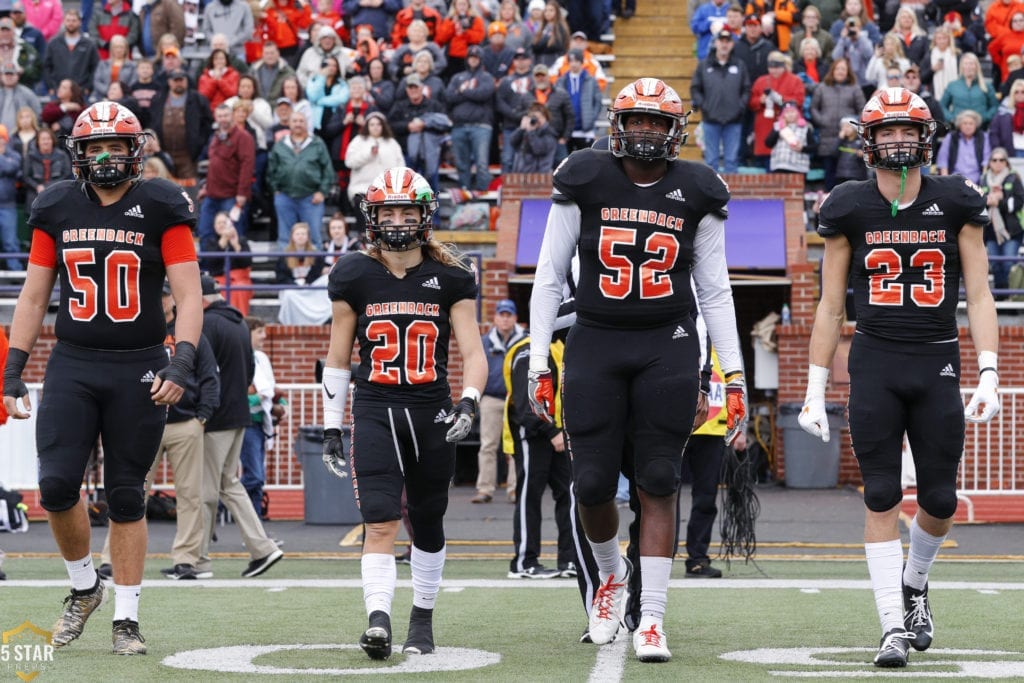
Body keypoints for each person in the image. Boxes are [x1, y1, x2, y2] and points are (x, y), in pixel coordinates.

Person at [527, 78, 746, 662]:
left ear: (676, 130)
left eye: (657, 121)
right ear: (616, 124)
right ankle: (610, 580)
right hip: (595, 340)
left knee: (658, 479)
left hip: (667, 343)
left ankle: (651, 618)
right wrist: (536, 364)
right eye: (637, 119)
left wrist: (733, 376)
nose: (646, 130)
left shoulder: (699, 187)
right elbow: (549, 275)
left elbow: (716, 293)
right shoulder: (585, 175)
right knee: (592, 484)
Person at [799, 87, 1000, 669]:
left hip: (937, 358)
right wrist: (815, 389)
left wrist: (988, 371)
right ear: (868, 139)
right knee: (882, 491)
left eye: (906, 129)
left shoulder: (957, 201)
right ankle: (891, 625)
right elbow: (830, 306)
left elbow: (981, 294)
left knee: (940, 499)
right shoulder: (848, 205)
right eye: (885, 131)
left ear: (924, 136)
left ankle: (915, 585)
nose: (897, 140)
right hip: (876, 360)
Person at [1, 100, 202, 654]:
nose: (108, 156)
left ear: (135, 152)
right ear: (80, 154)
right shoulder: (57, 205)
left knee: (126, 494)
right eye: (97, 147)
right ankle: (85, 587)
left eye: (117, 146)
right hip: (74, 360)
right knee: (56, 486)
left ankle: (127, 618)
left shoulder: (162, 202)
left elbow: (188, 294)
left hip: (139, 362)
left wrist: (181, 359)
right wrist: (12, 371)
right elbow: (35, 294)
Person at [321, 166, 487, 659]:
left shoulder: (451, 278)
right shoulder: (353, 274)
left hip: (430, 411)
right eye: (387, 210)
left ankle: (422, 617)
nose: (396, 220)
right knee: (379, 519)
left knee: (429, 521)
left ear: (424, 215)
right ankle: (378, 620)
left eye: (405, 210)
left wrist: (470, 401)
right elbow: (337, 358)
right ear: (372, 216)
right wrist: (333, 426)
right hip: (375, 408)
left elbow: (474, 354)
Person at [99, 282, 221, 582]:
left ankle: (186, 559)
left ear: (173, 298)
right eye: (158, 293)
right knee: (129, 489)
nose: (162, 299)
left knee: (190, 495)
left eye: (166, 294)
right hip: (142, 424)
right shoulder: (135, 330)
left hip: (183, 424)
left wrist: (202, 417)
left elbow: (210, 377)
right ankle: (111, 557)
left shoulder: (190, 333)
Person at [198, 274, 285, 579]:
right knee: (229, 484)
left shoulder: (207, 324)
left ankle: (196, 560)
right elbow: (249, 369)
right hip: (238, 414)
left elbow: (202, 371)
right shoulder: (237, 322)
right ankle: (262, 548)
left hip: (217, 416)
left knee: (207, 489)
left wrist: (202, 409)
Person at [503, 299, 574, 578]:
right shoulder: (528, 350)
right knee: (529, 497)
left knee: (567, 495)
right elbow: (525, 405)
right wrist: (553, 432)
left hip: (555, 434)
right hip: (532, 435)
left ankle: (568, 559)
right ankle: (523, 561)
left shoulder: (555, 348)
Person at [472, 298, 527, 505]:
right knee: (488, 445)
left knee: (515, 446)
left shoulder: (525, 340)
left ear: (515, 318)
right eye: (501, 315)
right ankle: (484, 490)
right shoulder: (485, 342)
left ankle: (515, 489)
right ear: (495, 318)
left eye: (509, 315)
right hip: (491, 399)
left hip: (516, 400)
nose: (505, 319)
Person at [266, 110, 334, 247]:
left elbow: (328, 170)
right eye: (295, 121)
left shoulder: (317, 143)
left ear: (307, 124)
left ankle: (316, 268)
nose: (298, 124)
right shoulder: (280, 145)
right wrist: (275, 189)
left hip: (311, 198)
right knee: (285, 238)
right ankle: (285, 268)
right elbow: (270, 170)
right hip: (285, 197)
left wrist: (322, 191)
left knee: (314, 238)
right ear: (289, 124)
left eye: (301, 121)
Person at [691, 28, 751, 174]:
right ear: (716, 43)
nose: (724, 45)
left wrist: (740, 107)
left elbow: (747, 89)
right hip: (710, 119)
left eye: (728, 41)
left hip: (734, 120)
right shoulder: (704, 65)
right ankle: (711, 196)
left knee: (731, 162)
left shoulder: (739, 65)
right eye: (721, 41)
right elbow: (695, 88)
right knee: (711, 162)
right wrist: (704, 106)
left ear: (732, 44)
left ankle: (731, 196)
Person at [241, 316, 278, 518]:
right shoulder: (239, 355)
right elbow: (236, 394)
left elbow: (270, 389)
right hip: (245, 423)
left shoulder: (261, 357)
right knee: (254, 476)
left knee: (258, 480)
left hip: (259, 423)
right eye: (259, 332)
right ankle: (215, 502)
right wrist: (257, 399)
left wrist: (280, 404)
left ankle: (257, 532)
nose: (264, 336)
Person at [446, 45, 495, 192]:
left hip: (481, 126)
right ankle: (464, 191)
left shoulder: (486, 77)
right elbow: (449, 96)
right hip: (459, 126)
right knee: (461, 163)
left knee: (481, 163)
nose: (473, 60)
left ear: (480, 59)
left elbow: (484, 94)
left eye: (476, 58)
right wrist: (470, 94)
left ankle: (482, 192)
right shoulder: (457, 77)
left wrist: (463, 91)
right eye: (471, 57)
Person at [811, 58, 865, 189]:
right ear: (832, 70)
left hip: (849, 143)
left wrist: (852, 126)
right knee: (829, 176)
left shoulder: (855, 89)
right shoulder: (822, 88)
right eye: (838, 68)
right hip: (828, 139)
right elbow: (813, 108)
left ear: (848, 72)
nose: (840, 71)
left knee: (847, 180)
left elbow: (863, 110)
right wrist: (822, 121)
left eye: (843, 69)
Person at [980, 147, 1024, 295]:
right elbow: (977, 202)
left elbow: (1018, 202)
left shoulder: (1014, 177)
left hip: (1012, 231)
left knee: (1008, 263)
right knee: (995, 264)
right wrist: (988, 200)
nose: (998, 163)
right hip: (991, 230)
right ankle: (1000, 296)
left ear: (1006, 162)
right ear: (990, 162)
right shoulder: (984, 179)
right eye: (994, 160)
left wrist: (999, 202)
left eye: (1001, 160)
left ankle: (1011, 297)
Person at [200, 211, 254, 315]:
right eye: (218, 223)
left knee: (239, 288)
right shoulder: (210, 242)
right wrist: (223, 241)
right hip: (219, 278)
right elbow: (210, 263)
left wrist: (236, 245)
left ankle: (239, 319)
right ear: (214, 226)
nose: (221, 225)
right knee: (217, 288)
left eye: (224, 222)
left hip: (239, 279)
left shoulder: (241, 240)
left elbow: (247, 262)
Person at [41, 10, 99, 99]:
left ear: (79, 22)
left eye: (74, 21)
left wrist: (88, 87)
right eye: (68, 20)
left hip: (81, 92)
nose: (70, 23)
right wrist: (51, 87)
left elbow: (94, 67)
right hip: (58, 91)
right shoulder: (53, 43)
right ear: (64, 21)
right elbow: (46, 66)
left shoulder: (89, 44)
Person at [935, 109, 989, 184]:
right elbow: (943, 161)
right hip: (954, 181)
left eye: (971, 123)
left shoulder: (983, 137)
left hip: (977, 181)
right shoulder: (951, 137)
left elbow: (986, 160)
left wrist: (983, 181)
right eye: (965, 123)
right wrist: (946, 182)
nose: (968, 126)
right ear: (959, 125)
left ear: (976, 125)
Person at [510, 102, 558, 172]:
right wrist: (521, 129)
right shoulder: (526, 131)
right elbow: (512, 142)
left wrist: (531, 132)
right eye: (534, 117)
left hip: (540, 178)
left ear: (546, 118)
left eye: (539, 117)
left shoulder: (549, 133)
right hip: (521, 176)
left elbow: (538, 149)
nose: (536, 121)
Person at [0, 124, 20, 271]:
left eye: (1, 138)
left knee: (10, 242)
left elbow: (10, 168)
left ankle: (17, 276)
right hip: (7, 205)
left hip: (8, 205)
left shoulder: (14, 155)